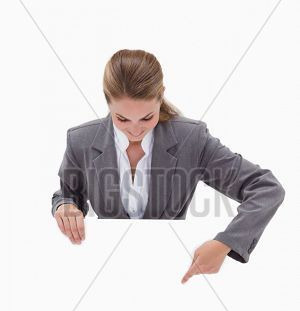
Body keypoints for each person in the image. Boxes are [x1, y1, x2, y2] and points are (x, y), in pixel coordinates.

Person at [51, 49, 285, 282]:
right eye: (121, 119)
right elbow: (68, 194)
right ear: (107, 101)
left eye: (146, 118)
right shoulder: (80, 140)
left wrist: (226, 242)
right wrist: (66, 207)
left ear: (160, 97)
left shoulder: (191, 139)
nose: (134, 130)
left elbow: (265, 188)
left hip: (174, 273)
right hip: (104, 273)